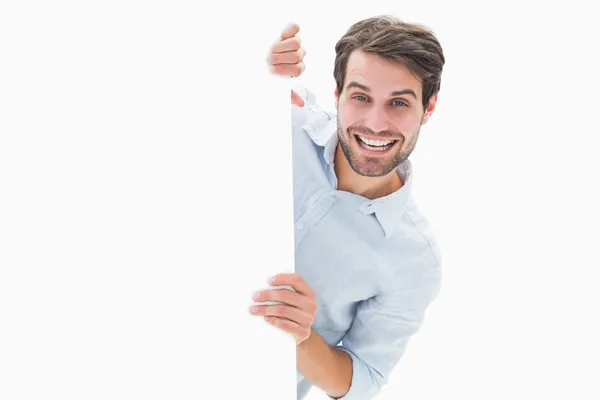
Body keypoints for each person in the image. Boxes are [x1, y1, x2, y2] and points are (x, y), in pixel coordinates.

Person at [249, 16, 445, 399]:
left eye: (399, 103)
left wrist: (303, 338)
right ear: (337, 92)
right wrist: (256, 63)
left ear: (429, 107)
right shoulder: (281, 122)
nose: (376, 123)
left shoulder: (415, 259)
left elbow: (364, 378)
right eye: (360, 97)